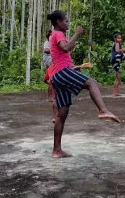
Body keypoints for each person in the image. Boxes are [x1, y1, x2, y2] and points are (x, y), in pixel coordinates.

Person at [47, 10, 120, 158]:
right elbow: (66, 47)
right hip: (61, 72)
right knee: (91, 82)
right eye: (66, 21)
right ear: (58, 22)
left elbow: (62, 55)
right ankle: (103, 110)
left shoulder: (53, 35)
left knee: (62, 114)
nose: (68, 23)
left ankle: (56, 150)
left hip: (57, 75)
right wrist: (77, 34)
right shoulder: (58, 34)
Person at [43, 30, 53, 102]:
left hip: (53, 61)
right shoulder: (47, 42)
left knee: (49, 79)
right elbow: (46, 50)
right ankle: (49, 97)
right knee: (52, 79)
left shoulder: (54, 43)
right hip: (49, 60)